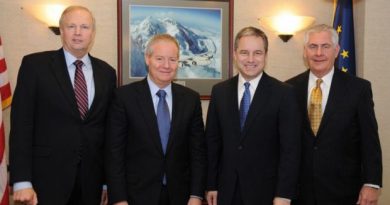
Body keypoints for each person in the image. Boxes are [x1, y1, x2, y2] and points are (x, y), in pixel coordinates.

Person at [9, 5, 117, 205]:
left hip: (91, 184)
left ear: (92, 33)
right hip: (45, 181)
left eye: (84, 27)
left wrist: (106, 182)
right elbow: (21, 125)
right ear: (61, 30)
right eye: (71, 26)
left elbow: (108, 132)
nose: (78, 32)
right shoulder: (35, 66)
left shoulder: (107, 73)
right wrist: (21, 180)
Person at [286, 24, 382, 205]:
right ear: (305, 51)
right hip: (299, 193)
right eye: (313, 46)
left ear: (337, 50)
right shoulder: (288, 89)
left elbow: (370, 140)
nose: (318, 53)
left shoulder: (358, 89)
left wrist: (372, 183)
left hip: (345, 192)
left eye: (325, 46)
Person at [105, 34, 206, 205]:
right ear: (147, 59)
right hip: (136, 196)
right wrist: (119, 199)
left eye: (172, 59)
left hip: (180, 196)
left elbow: (197, 152)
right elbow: (114, 153)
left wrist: (196, 195)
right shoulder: (124, 97)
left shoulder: (191, 99)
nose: (166, 66)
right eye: (159, 58)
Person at [206, 26, 301, 205]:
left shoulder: (284, 93)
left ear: (265, 55)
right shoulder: (220, 92)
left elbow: (291, 150)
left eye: (257, 53)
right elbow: (213, 143)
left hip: (268, 193)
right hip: (226, 191)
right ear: (235, 54)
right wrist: (211, 184)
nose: (250, 59)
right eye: (244, 52)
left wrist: (284, 194)